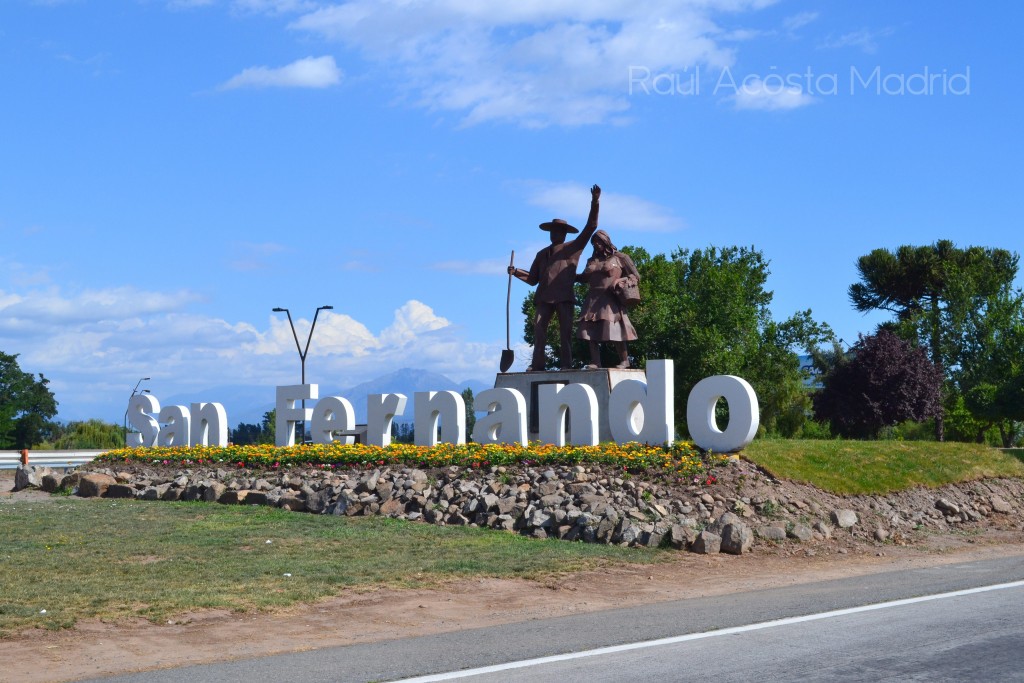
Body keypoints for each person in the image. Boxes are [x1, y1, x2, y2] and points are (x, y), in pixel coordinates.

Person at [509, 184, 601, 371]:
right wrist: (516, 271)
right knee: (538, 329)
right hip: (543, 297)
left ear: (565, 233)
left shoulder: (573, 247)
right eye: (553, 230)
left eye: (559, 231)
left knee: (565, 332)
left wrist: (595, 201)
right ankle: (537, 365)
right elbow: (533, 279)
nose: (555, 234)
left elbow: (591, 225)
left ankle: (566, 365)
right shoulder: (541, 254)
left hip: (564, 297)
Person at [575, 229, 639, 369]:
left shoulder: (621, 258)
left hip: (610, 297)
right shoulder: (591, 260)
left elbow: (636, 276)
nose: (596, 245)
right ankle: (595, 361)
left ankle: (624, 360)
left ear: (606, 242)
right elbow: (583, 278)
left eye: (598, 241)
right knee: (589, 331)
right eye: (594, 243)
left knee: (615, 328)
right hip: (592, 298)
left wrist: (621, 280)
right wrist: (568, 274)